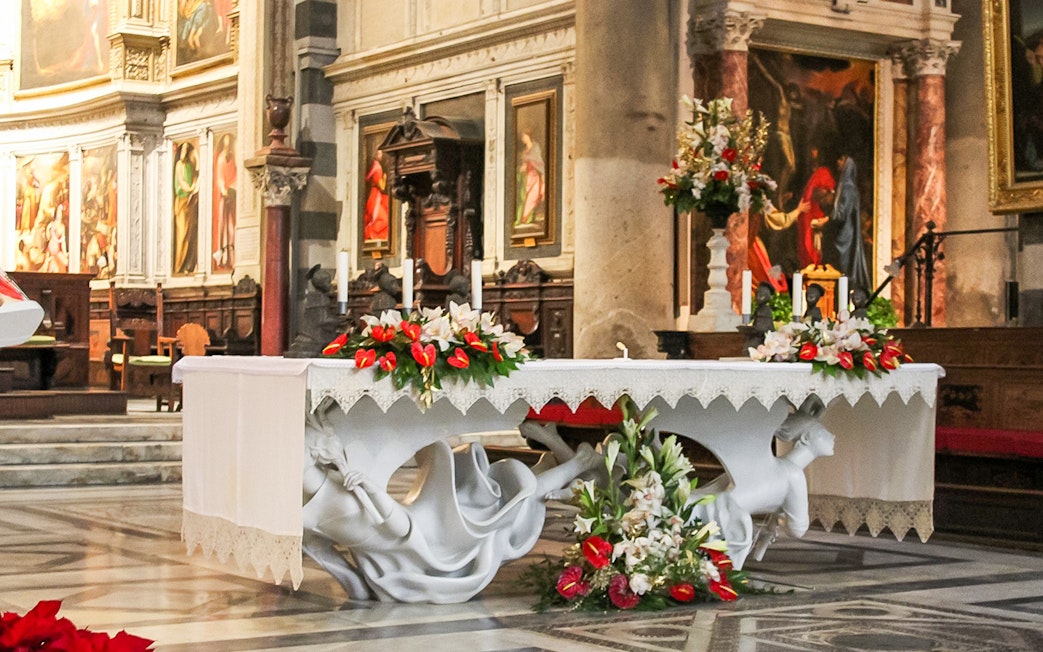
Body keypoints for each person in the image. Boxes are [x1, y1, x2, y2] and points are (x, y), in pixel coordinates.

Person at [301, 419, 602, 602]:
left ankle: (576, 463)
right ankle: (575, 462)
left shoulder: (332, 492)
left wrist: (369, 489)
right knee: (507, 505)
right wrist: (370, 490)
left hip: (425, 528)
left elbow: (396, 528)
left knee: (507, 501)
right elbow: (399, 531)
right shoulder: (319, 508)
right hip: (430, 544)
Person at [692, 396, 835, 569]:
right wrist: (780, 520)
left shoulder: (766, 463)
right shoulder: (794, 475)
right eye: (822, 432)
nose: (832, 435)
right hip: (723, 515)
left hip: (709, 504)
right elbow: (797, 530)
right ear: (804, 439)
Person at [823, 155, 871, 292]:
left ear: (848, 163)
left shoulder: (848, 187)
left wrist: (826, 220)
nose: (838, 161)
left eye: (841, 159)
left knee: (844, 268)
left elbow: (841, 214)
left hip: (845, 235)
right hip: (844, 232)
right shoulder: (845, 185)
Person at [795, 146, 836, 268]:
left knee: (816, 245)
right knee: (808, 244)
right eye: (811, 150)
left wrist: (826, 194)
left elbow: (827, 197)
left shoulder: (824, 172)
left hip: (817, 212)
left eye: (816, 150)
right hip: (808, 212)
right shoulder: (807, 172)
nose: (813, 153)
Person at [173, 142, 199, 275]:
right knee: (182, 234)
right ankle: (178, 266)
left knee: (190, 233)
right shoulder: (179, 165)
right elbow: (181, 181)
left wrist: (194, 186)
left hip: (190, 202)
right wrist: (190, 189)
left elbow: (195, 177)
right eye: (182, 150)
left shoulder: (190, 165)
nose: (184, 153)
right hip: (182, 201)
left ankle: (188, 264)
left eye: (186, 150)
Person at [213, 134, 237, 269]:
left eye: (230, 140)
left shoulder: (232, 157)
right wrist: (224, 189)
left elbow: (235, 174)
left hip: (232, 194)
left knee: (231, 226)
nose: (228, 143)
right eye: (226, 140)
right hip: (225, 195)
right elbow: (219, 176)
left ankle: (232, 257)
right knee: (223, 225)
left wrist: (233, 186)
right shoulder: (221, 158)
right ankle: (222, 257)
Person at [515, 129, 545, 227]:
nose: (522, 138)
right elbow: (524, 163)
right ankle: (524, 218)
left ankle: (529, 218)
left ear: (528, 136)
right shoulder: (524, 151)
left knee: (533, 197)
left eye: (524, 136)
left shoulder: (535, 147)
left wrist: (529, 162)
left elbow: (538, 160)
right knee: (524, 197)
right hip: (526, 177)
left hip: (535, 175)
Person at [363, 149, 390, 242]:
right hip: (375, 195)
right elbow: (382, 186)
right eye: (379, 153)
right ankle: (370, 233)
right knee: (383, 219)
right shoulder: (378, 167)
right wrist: (385, 178)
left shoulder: (374, 165)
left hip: (374, 194)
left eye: (381, 153)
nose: (381, 155)